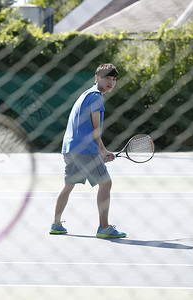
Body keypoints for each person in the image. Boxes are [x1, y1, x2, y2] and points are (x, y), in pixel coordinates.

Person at [50, 63, 127, 239]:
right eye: (107, 77)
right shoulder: (97, 97)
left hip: (69, 148)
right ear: (97, 78)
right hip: (84, 149)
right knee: (106, 183)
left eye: (113, 79)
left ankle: (56, 224)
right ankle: (104, 227)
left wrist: (99, 152)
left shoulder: (86, 94)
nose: (111, 82)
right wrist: (102, 150)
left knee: (68, 185)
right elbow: (95, 128)